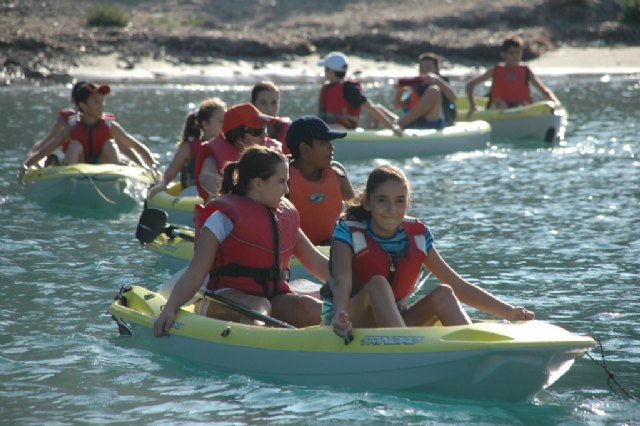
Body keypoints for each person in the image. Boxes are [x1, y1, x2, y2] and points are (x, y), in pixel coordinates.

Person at [321, 164, 535, 339]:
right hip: (347, 319)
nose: (392, 210)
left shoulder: (418, 235)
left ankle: (471, 351)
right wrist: (339, 314)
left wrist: (509, 312)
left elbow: (458, 285)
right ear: (367, 202)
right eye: (382, 201)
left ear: (408, 203)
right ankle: (408, 353)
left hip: (393, 321)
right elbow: (342, 281)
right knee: (378, 283)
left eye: (399, 201)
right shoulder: (347, 231)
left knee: (444, 293)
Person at [154, 146, 328, 335]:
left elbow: (319, 264)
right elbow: (195, 274)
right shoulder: (221, 220)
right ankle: (258, 343)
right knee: (259, 307)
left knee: (309, 307)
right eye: (281, 182)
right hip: (226, 297)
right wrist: (170, 308)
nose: (287, 189)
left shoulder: (284, 217)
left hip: (272, 297)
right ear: (258, 183)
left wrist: (348, 285)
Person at [19, 82, 159, 177]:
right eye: (96, 102)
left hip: (103, 168)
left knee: (111, 145)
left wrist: (152, 164)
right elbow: (47, 149)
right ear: (83, 106)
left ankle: (117, 180)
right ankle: (68, 180)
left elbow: (135, 145)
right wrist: (26, 165)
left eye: (102, 101)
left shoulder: (110, 126)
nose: (101, 106)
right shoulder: (71, 127)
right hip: (78, 169)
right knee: (75, 145)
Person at [193, 103, 282, 237]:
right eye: (257, 132)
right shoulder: (214, 154)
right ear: (238, 136)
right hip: (228, 227)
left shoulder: (272, 149)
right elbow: (206, 177)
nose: (264, 137)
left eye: (264, 129)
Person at [286, 116, 355, 245]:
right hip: (296, 251)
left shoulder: (337, 174)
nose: (331, 148)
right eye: (323, 143)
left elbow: (358, 214)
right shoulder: (283, 178)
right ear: (304, 149)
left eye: (330, 142)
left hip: (331, 248)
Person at [148, 98, 226, 198]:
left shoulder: (227, 147)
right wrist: (162, 184)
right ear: (205, 125)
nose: (226, 125)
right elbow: (167, 176)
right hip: (190, 196)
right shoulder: (188, 148)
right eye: (221, 122)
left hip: (216, 196)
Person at [465, 35, 560, 118]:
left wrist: (556, 104)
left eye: (518, 53)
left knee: (523, 103)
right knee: (500, 103)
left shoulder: (526, 71)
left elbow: (543, 90)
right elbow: (470, 85)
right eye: (511, 53)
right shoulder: (495, 70)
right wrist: (472, 106)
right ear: (503, 54)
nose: (515, 56)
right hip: (499, 109)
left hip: (520, 108)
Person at [317, 51, 403, 136]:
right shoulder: (328, 87)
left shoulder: (349, 88)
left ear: (331, 71)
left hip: (343, 129)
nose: (324, 72)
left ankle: (396, 124)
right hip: (332, 127)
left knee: (323, 128)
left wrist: (392, 127)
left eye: (326, 69)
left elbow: (370, 107)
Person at [393, 52, 458, 129]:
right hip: (418, 121)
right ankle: (398, 124)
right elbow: (397, 106)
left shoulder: (441, 83)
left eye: (428, 68)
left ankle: (401, 124)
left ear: (437, 69)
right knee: (382, 112)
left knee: (433, 90)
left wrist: (438, 82)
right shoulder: (418, 85)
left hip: (438, 121)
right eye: (422, 68)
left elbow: (454, 97)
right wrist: (399, 92)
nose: (425, 71)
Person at [251, 81, 292, 153]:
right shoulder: (245, 134)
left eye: (274, 103)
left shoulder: (289, 130)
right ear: (253, 105)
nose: (269, 109)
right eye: (263, 103)